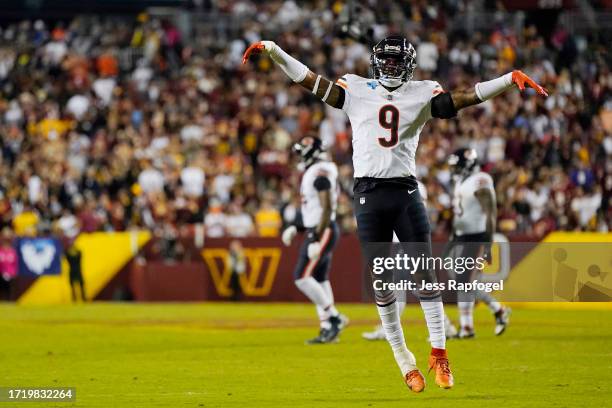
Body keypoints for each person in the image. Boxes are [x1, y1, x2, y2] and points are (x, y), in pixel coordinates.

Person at [243, 35, 547, 392]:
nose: (389, 67)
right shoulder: (356, 88)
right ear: (375, 62)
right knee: (383, 285)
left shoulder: (422, 92)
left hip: (404, 190)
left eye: (395, 61)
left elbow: (460, 99)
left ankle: (440, 353)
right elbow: (310, 80)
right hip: (369, 192)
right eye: (384, 61)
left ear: (409, 65)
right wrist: (277, 52)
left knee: (425, 277)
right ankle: (405, 361)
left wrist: (507, 79)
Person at [281, 136, 347, 344]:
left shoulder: (319, 172)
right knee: (319, 279)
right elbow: (317, 209)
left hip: (322, 229)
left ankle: (334, 317)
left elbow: (326, 207)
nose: (299, 155)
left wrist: (317, 237)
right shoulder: (320, 169)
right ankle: (327, 327)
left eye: (302, 151)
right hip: (318, 227)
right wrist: (299, 227)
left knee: (301, 276)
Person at [445, 148, 511, 338]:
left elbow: (491, 213)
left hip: (476, 237)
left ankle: (468, 327)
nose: (453, 170)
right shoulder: (460, 182)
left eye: (456, 166)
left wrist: (488, 243)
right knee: (464, 282)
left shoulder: (480, 180)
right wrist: (452, 238)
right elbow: (461, 213)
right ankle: (497, 310)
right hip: (461, 236)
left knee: (464, 281)